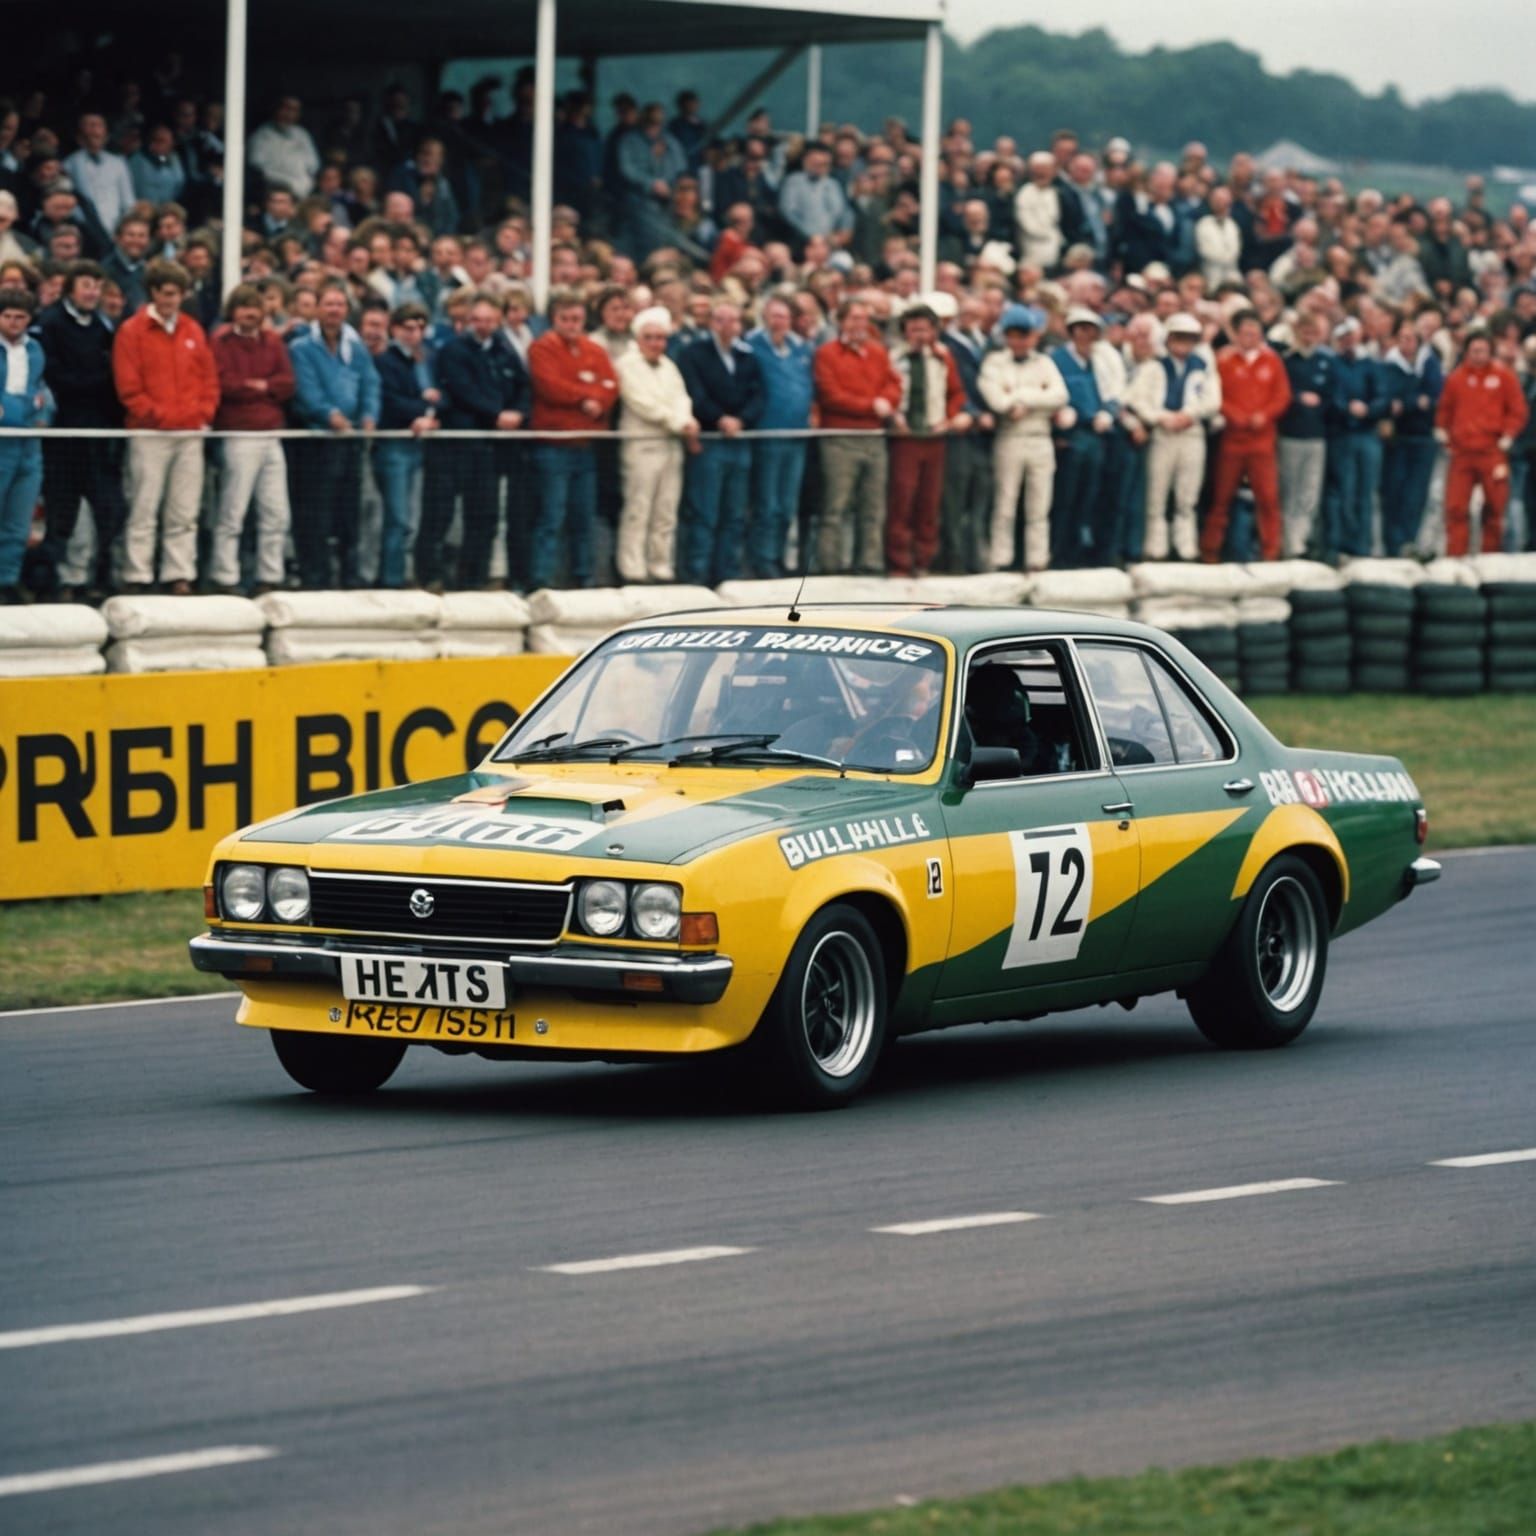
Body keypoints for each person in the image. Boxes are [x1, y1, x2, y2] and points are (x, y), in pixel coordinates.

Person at [111, 258, 219, 593]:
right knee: (144, 505)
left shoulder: (192, 329)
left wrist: (202, 413)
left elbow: (209, 379)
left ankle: (178, 573)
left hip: (188, 434)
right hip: (150, 434)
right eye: (167, 293)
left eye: (177, 294)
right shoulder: (133, 331)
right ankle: (137, 574)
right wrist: (160, 417)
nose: (172, 300)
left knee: (184, 508)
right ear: (154, 292)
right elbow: (129, 388)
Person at [34, 260, 128, 599]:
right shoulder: (52, 324)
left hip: (98, 434)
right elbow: (56, 378)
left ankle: (94, 576)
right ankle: (52, 583)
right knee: (63, 511)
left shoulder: (102, 327)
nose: (92, 292)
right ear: (71, 288)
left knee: (108, 507)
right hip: (63, 434)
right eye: (86, 285)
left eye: (96, 286)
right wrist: (99, 383)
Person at [431, 291, 528, 589]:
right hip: (462, 442)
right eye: (478, 319)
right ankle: (437, 577)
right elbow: (463, 390)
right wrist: (497, 414)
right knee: (443, 515)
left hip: (493, 447)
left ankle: (476, 577)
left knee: (485, 516)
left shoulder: (503, 349)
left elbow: (523, 386)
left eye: (489, 320)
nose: (483, 325)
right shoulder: (454, 350)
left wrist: (519, 413)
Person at [288, 279, 381, 587]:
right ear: (317, 308)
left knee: (348, 514)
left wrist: (369, 415)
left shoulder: (355, 348)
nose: (334, 310)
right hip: (317, 442)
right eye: (328, 304)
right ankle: (316, 576)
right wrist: (328, 415)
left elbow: (370, 383)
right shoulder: (302, 348)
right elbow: (306, 391)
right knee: (316, 513)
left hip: (350, 442)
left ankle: (349, 576)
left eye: (339, 304)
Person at [526, 290, 617, 590]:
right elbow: (550, 386)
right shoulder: (542, 348)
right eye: (565, 319)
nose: (571, 324)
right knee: (551, 516)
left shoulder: (595, 349)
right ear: (554, 319)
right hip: (554, 445)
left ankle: (584, 576)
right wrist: (586, 396)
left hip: (585, 445)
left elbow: (611, 385)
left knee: (583, 516)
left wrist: (594, 398)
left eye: (576, 318)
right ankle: (541, 579)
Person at [209, 282, 295, 594]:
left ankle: (269, 576)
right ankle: (225, 576)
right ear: (233, 311)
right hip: (239, 434)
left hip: (271, 433)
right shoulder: (221, 342)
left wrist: (259, 387)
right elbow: (225, 384)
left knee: (276, 511)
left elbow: (286, 383)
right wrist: (261, 387)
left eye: (255, 308)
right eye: (244, 307)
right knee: (233, 510)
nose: (251, 314)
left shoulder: (273, 342)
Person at [677, 300, 764, 585]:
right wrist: (719, 419)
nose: (729, 327)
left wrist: (742, 420)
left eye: (734, 321)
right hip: (711, 439)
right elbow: (695, 393)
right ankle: (697, 572)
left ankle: (727, 572)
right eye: (722, 321)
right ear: (712, 323)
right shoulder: (694, 353)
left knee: (734, 512)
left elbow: (758, 394)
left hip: (739, 440)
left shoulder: (747, 355)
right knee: (705, 511)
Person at [812, 297, 901, 573]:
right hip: (840, 437)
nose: (860, 325)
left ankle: (868, 561)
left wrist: (887, 401)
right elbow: (830, 394)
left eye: (864, 319)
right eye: (854, 318)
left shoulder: (878, 352)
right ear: (841, 321)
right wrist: (870, 406)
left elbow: (893, 383)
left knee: (873, 505)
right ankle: (830, 563)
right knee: (836, 505)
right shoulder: (827, 353)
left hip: (874, 437)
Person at [885, 304, 970, 578]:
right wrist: (895, 417)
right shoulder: (894, 357)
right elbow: (885, 389)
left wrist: (948, 417)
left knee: (929, 501)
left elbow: (957, 394)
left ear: (934, 331)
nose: (920, 335)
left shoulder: (943, 358)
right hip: (905, 438)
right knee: (902, 499)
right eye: (913, 329)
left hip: (935, 438)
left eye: (925, 329)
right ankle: (899, 561)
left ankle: (923, 560)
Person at [1201, 309, 1291, 562]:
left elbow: (1282, 396)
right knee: (1221, 497)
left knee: (1268, 499)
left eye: (1254, 332)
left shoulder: (1272, 361)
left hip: (1262, 441)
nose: (1250, 336)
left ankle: (1270, 551)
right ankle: (1210, 551)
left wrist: (1265, 414)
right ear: (1236, 334)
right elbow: (1215, 394)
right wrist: (1234, 414)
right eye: (1245, 332)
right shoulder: (1224, 360)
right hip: (1232, 439)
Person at [614, 305, 697, 582]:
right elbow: (641, 402)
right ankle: (632, 568)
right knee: (639, 509)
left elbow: (682, 398)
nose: (655, 343)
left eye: (660, 338)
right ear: (638, 338)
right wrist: (679, 422)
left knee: (666, 510)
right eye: (649, 337)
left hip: (671, 445)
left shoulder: (669, 367)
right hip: (642, 446)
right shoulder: (627, 365)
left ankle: (660, 566)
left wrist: (684, 420)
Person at [1133, 312, 1222, 561]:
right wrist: (1160, 417)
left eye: (1189, 338)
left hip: (1191, 432)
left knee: (1187, 494)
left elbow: (1213, 400)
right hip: (1163, 433)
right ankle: (1155, 547)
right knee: (1157, 494)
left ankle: (1185, 547)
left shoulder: (1203, 366)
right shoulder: (1153, 366)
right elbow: (1137, 400)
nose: (1183, 343)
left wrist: (1190, 414)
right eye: (1178, 337)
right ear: (1168, 338)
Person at [1435, 331, 1528, 556]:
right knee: (1455, 507)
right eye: (1474, 351)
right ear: (1467, 352)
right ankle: (1455, 556)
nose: (1479, 355)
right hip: (1462, 452)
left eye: (1483, 351)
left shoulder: (1504, 377)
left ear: (1490, 352)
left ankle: (1491, 557)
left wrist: (1508, 435)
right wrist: (1441, 430)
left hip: (1492, 452)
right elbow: (1445, 408)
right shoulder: (1456, 379)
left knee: (1494, 508)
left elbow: (1518, 410)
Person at [372, 301, 442, 589]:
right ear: (395, 329)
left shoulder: (427, 359)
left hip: (419, 445)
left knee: (412, 517)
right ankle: (392, 577)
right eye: (408, 328)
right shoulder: (385, 360)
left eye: (419, 328)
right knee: (398, 518)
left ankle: (405, 572)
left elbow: (443, 395)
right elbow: (390, 399)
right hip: (395, 443)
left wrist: (431, 414)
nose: (414, 334)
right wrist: (421, 409)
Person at [1050, 305, 1126, 568]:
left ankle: (1087, 551)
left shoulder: (1100, 360)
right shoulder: (1058, 358)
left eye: (1090, 330)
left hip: (1097, 434)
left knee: (1092, 496)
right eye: (1080, 329)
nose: (1085, 335)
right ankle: (1061, 552)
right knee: (1066, 496)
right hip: (1072, 434)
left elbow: (1114, 391)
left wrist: (1108, 411)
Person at [745, 293, 813, 577]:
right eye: (774, 316)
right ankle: (763, 558)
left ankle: (781, 556)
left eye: (784, 316)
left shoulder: (800, 350)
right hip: (769, 434)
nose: (779, 322)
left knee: (787, 504)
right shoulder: (752, 347)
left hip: (796, 435)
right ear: (765, 317)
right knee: (767, 503)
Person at [938, 293, 997, 573]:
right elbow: (955, 385)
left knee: (981, 496)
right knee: (956, 497)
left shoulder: (988, 345)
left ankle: (976, 555)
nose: (971, 321)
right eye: (967, 315)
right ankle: (955, 557)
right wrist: (972, 413)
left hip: (987, 433)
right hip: (961, 429)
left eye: (977, 315)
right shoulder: (949, 346)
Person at [1322, 318, 1389, 558]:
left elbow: (1383, 398)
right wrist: (1346, 407)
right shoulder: (1333, 364)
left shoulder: (1371, 365)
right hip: (1342, 433)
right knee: (1343, 490)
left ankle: (1363, 545)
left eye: (1352, 335)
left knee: (1366, 492)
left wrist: (1367, 410)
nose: (1349, 340)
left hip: (1367, 434)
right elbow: (1330, 397)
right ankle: (1340, 544)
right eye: (1344, 336)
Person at [1380, 317, 1444, 557]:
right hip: (1398, 437)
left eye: (1411, 338)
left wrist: (1409, 402)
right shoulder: (1389, 365)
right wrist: (1415, 401)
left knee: (1416, 494)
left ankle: (1409, 540)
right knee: (1394, 490)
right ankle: (1392, 544)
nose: (1406, 343)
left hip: (1423, 436)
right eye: (1402, 338)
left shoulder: (1430, 362)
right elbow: (1391, 399)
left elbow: (1434, 396)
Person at [0, 286, 46, 605]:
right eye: (7, 316)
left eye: (21, 317)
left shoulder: (35, 351)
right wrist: (23, 407)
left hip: (27, 443)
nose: (14, 323)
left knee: (19, 518)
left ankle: (8, 579)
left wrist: (23, 409)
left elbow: (39, 398)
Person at [1277, 311, 1333, 558]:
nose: (1309, 337)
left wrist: (1319, 404)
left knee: (1310, 492)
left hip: (1316, 435)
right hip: (1291, 434)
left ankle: (1303, 540)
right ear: (1298, 332)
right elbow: (1282, 394)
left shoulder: (1326, 362)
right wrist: (1299, 399)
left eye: (1314, 332)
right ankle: (1290, 543)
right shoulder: (1288, 361)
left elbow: (1332, 397)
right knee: (1289, 490)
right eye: (1305, 331)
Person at [247, 96, 320, 199]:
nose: (289, 114)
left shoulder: (302, 134)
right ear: (277, 109)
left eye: (294, 110)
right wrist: (289, 184)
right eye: (286, 108)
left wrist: (306, 183)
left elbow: (313, 165)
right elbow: (258, 169)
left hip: (304, 191)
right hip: (275, 192)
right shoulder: (261, 136)